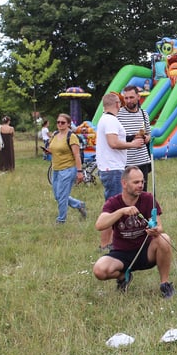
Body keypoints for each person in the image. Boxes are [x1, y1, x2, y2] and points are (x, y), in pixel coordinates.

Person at [92, 166, 175, 299]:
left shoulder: (148, 199)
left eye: (142, 182)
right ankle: (123, 276)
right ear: (124, 183)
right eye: (136, 182)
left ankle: (165, 284)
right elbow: (99, 225)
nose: (141, 185)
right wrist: (121, 211)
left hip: (145, 252)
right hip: (121, 254)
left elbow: (160, 227)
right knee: (99, 270)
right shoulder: (113, 202)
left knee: (164, 238)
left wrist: (155, 230)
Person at [96, 92, 146, 250]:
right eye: (121, 102)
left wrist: (132, 138)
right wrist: (133, 145)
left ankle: (109, 242)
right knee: (113, 208)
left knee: (113, 206)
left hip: (111, 168)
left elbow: (117, 139)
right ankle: (105, 244)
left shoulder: (107, 119)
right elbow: (113, 143)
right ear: (117, 104)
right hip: (113, 169)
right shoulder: (110, 120)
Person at [47, 113, 87, 224]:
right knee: (58, 196)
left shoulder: (72, 136)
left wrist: (79, 172)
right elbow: (52, 149)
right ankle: (79, 204)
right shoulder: (54, 134)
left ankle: (61, 220)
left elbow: (77, 155)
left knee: (62, 197)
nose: (60, 124)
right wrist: (47, 151)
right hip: (55, 169)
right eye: (58, 122)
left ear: (69, 124)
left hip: (68, 169)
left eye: (63, 122)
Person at [117, 85, 152, 190]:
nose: (128, 101)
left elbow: (149, 134)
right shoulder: (118, 114)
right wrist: (132, 138)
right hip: (125, 162)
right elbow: (115, 138)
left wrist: (146, 138)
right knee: (127, 193)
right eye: (126, 98)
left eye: (131, 97)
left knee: (142, 192)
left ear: (138, 97)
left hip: (142, 160)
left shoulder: (144, 113)